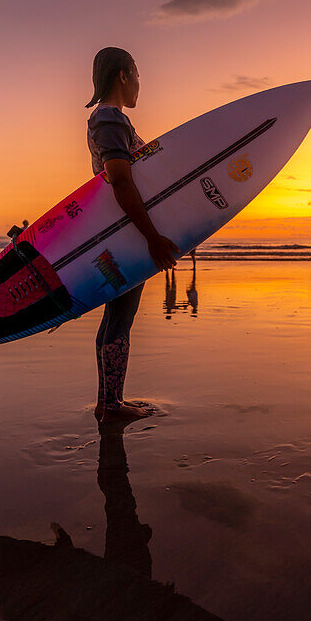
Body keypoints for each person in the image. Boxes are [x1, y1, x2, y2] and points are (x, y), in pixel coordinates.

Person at [86, 47, 180, 422]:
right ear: (122, 76)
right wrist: (152, 237)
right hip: (127, 235)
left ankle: (107, 401)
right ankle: (111, 406)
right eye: (137, 74)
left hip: (122, 232)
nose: (140, 83)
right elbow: (121, 182)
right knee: (120, 319)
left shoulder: (110, 119)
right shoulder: (109, 118)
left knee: (115, 317)